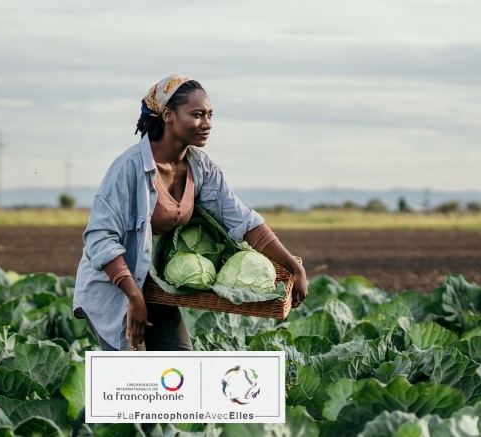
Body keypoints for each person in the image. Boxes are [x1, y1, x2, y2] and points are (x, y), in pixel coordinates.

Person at [72, 74, 308, 352]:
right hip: (116, 289)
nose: (207, 124)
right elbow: (100, 239)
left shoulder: (201, 168)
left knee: (180, 362)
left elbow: (244, 222)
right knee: (133, 382)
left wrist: (294, 267)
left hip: (155, 288)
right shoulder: (128, 169)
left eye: (210, 115)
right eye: (197, 115)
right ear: (168, 115)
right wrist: (134, 297)